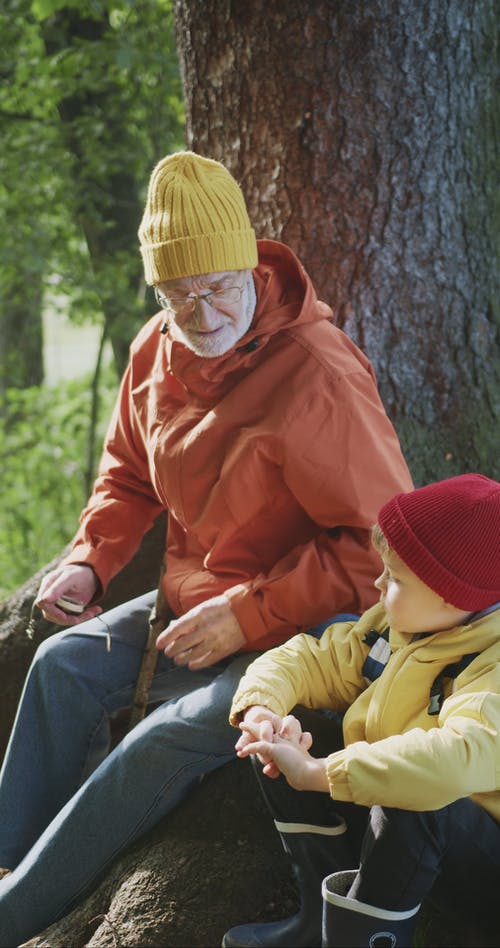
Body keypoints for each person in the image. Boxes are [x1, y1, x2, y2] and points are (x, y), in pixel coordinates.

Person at [0, 151, 412, 945]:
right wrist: (91, 560)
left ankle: (16, 915)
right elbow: (126, 476)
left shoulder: (315, 375)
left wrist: (250, 614)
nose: (200, 313)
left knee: (167, 738)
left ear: (248, 265)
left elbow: (377, 554)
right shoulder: (155, 349)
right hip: (194, 603)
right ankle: (7, 857)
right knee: (61, 665)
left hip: (308, 628)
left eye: (217, 287)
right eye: (176, 294)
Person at [224, 473, 500, 948]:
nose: (377, 581)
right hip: (389, 836)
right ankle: (322, 919)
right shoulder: (395, 627)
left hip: (478, 863)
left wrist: (320, 772)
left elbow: (455, 759)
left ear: (449, 593)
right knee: (286, 733)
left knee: (418, 799)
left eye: (394, 577)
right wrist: (262, 710)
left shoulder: (491, 663)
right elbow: (312, 659)